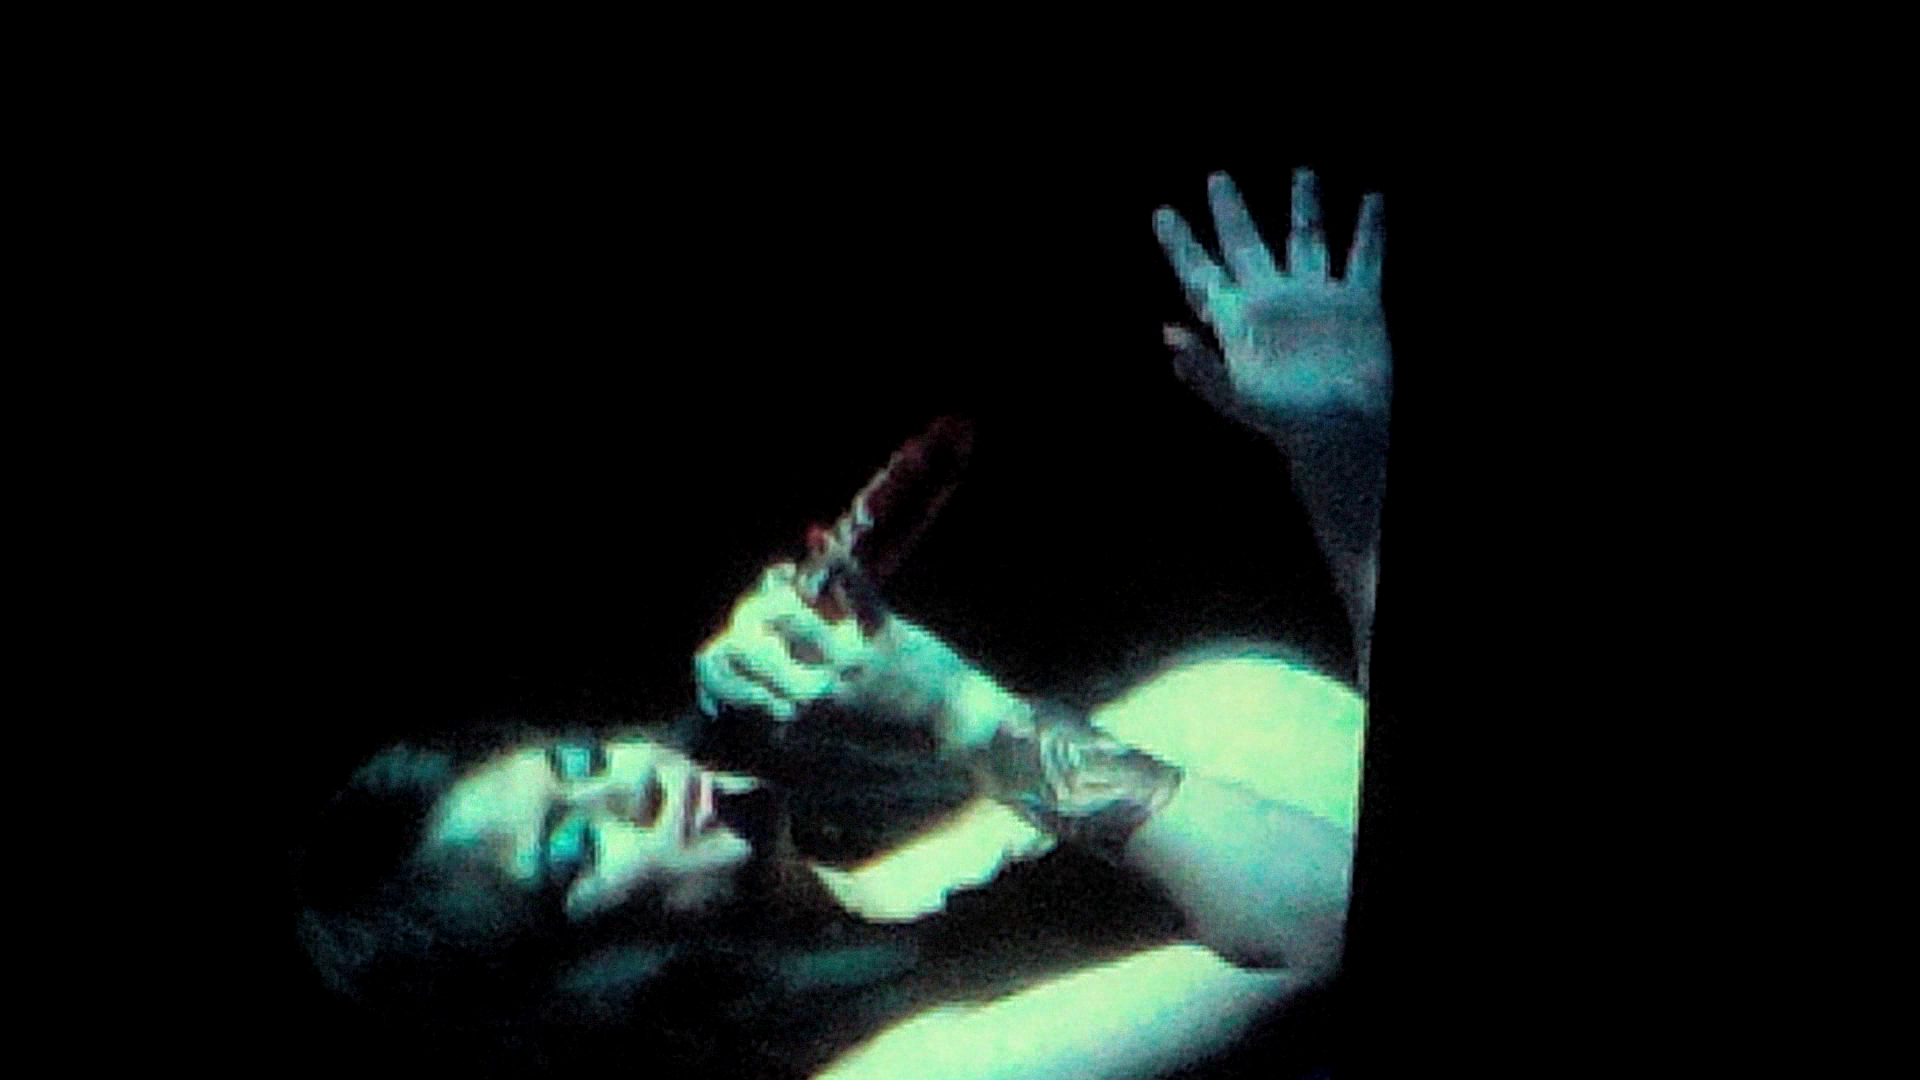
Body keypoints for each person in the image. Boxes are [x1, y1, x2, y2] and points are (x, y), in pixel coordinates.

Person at [294, 167, 1390, 1079]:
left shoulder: (867, 843)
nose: (630, 783)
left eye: (580, 762)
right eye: (573, 848)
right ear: (581, 983)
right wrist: (961, 711)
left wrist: (1342, 459)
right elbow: (1329, 927)